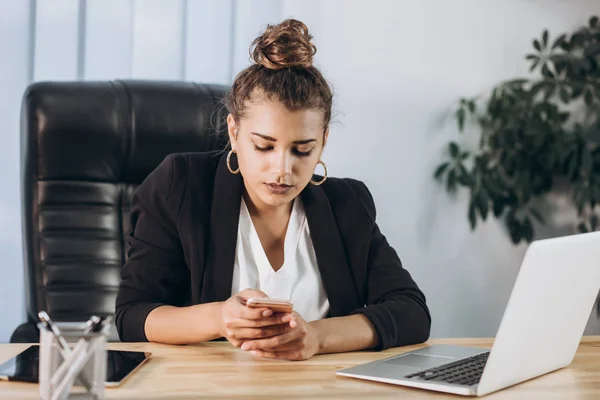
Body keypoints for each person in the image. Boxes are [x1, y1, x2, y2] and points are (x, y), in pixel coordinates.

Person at [115, 18, 430, 361]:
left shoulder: (348, 204)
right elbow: (133, 316)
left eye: (302, 149)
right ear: (234, 132)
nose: (282, 170)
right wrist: (219, 318)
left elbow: (411, 312)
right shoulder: (181, 184)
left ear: (323, 142)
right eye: (264, 147)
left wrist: (317, 337)